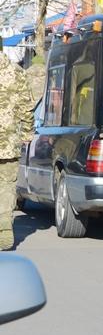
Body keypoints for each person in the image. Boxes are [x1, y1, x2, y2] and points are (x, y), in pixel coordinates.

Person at [0, 40, 34, 251]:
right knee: (6, 186)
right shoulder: (16, 72)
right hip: (9, 144)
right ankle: (3, 229)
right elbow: (26, 107)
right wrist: (28, 132)